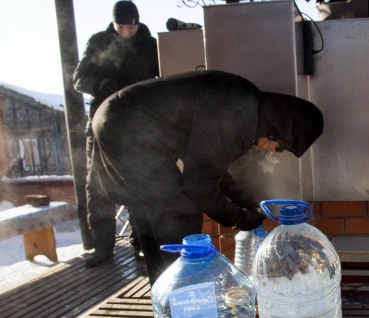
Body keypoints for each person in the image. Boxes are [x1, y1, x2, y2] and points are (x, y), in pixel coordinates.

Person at [91, 70, 324, 285]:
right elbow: (200, 188)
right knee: (178, 211)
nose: (274, 151)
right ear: (278, 128)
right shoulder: (238, 122)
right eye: (280, 147)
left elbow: (210, 169)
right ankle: (182, 293)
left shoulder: (245, 105)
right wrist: (243, 219)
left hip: (119, 116)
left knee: (152, 206)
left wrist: (248, 203)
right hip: (128, 127)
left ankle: (165, 292)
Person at [73, 1, 159, 267]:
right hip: (102, 124)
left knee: (139, 184)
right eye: (121, 27)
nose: (125, 31)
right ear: (113, 24)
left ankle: (142, 246)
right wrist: (100, 84)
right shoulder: (98, 42)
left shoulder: (151, 45)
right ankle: (102, 249)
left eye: (130, 27)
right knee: (97, 186)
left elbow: (164, 80)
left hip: (138, 125)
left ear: (137, 23)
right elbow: (79, 78)